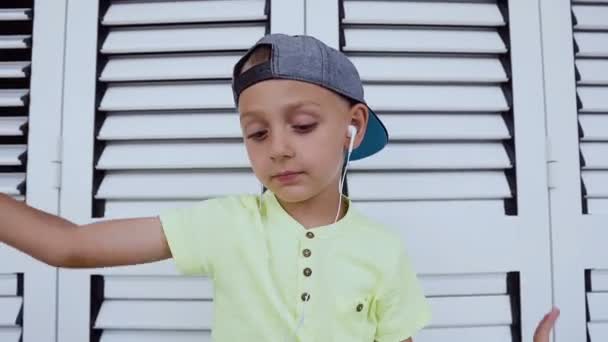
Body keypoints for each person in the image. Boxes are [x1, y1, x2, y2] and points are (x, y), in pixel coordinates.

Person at [0, 33, 559, 341]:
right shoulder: (222, 223)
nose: (279, 148)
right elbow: (69, 246)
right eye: (257, 133)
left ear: (352, 126)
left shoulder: (383, 252)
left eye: (304, 125)